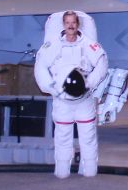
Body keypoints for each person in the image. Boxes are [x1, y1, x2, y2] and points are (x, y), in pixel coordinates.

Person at [34, 10, 108, 178]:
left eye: (73, 22)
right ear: (63, 25)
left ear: (78, 24)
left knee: (88, 137)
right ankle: (62, 171)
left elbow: (101, 62)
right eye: (67, 23)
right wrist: (51, 88)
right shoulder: (53, 46)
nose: (71, 26)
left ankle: (90, 170)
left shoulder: (88, 44)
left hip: (84, 100)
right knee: (62, 137)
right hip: (62, 100)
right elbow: (41, 66)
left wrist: (89, 83)